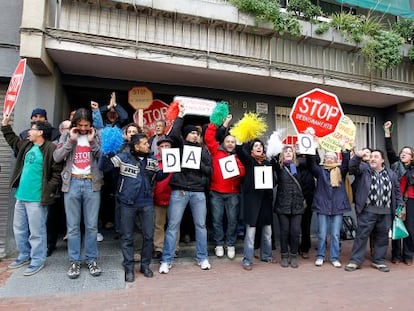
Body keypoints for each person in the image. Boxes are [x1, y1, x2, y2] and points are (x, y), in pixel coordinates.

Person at [100, 133, 165, 282]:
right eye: (145, 143)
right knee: (127, 237)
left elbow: (158, 176)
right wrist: (105, 151)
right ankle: (129, 268)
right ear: (136, 146)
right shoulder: (123, 157)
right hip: (127, 203)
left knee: (148, 236)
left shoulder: (151, 160)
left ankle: (145, 265)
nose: (148, 145)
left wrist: (170, 168)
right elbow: (105, 167)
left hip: (147, 202)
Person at [2, 115, 62, 276]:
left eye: (33, 129)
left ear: (40, 132)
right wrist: (5, 125)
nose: (29, 131)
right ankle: (24, 255)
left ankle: (37, 260)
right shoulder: (27, 145)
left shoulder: (50, 148)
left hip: (37, 198)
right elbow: (13, 141)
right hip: (21, 195)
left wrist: (49, 189)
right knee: (19, 229)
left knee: (37, 231)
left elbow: (57, 172)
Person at [159, 103, 212, 274]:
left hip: (198, 192)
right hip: (180, 190)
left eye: (197, 134)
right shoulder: (179, 147)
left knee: (201, 226)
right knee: (173, 225)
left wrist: (198, 165)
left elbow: (209, 171)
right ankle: (166, 260)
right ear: (186, 135)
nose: (195, 136)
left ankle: (202, 257)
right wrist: (180, 116)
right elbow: (174, 133)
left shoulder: (204, 151)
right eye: (191, 133)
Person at [53, 108, 103, 279]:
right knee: (73, 226)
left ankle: (91, 259)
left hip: (91, 183)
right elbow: (57, 157)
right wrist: (71, 141)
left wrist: (92, 141)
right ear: (75, 124)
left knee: (91, 226)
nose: (83, 128)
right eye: (80, 125)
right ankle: (74, 261)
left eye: (86, 125)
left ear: (91, 124)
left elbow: (103, 158)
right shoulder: (67, 136)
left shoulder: (96, 135)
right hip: (72, 182)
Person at [345, 149, 403, 272]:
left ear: (382, 160)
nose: (372, 158)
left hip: (386, 211)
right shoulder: (364, 170)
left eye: (376, 156)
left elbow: (397, 192)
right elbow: (352, 168)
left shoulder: (391, 174)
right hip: (367, 211)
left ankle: (379, 261)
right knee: (361, 236)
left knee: (382, 237)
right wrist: (357, 156)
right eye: (371, 156)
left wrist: (400, 205)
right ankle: (355, 261)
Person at [204, 121, 245, 259]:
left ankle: (231, 244)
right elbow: (209, 137)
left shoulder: (239, 155)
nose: (230, 144)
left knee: (233, 220)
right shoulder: (216, 150)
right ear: (223, 142)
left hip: (232, 193)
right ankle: (219, 244)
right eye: (228, 141)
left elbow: (243, 172)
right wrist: (216, 123)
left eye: (233, 142)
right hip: (216, 192)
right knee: (217, 220)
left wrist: (237, 169)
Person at [236, 138, 275, 270]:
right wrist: (240, 141)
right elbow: (240, 152)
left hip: (265, 201)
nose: (259, 147)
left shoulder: (268, 163)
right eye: (256, 146)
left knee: (267, 231)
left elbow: (274, 179)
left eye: (260, 145)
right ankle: (247, 260)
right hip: (252, 201)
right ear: (252, 150)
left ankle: (266, 255)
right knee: (251, 233)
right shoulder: (249, 161)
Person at [309, 148, 351, 268]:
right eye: (327, 157)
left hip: (337, 206)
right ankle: (320, 256)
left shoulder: (340, 170)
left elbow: (346, 163)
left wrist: (344, 149)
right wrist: (313, 146)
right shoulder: (319, 170)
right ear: (324, 159)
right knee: (322, 233)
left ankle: (334, 257)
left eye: (332, 157)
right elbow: (312, 162)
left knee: (335, 234)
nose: (329, 158)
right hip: (322, 206)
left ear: (336, 159)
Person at [384, 121, 414, 265]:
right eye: (402, 152)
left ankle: (408, 255)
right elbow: (390, 150)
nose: (403, 154)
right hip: (396, 200)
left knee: (409, 228)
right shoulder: (395, 164)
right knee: (396, 226)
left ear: (412, 157)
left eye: (407, 153)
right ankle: (395, 255)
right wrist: (387, 132)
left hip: (411, 201)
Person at [273, 145, 305, 268]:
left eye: (290, 151)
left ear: (294, 154)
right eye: (285, 151)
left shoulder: (299, 166)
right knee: (284, 232)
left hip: (297, 204)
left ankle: (294, 255)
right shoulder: (279, 167)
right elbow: (272, 161)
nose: (288, 153)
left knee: (295, 232)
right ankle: (284, 256)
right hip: (283, 204)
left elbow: (313, 161)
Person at [152, 136, 179, 259]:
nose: (164, 148)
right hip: (158, 196)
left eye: (167, 146)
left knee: (174, 224)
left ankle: (174, 247)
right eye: (162, 146)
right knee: (159, 224)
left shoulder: (176, 159)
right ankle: (159, 247)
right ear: (158, 148)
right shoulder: (154, 161)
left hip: (174, 195)